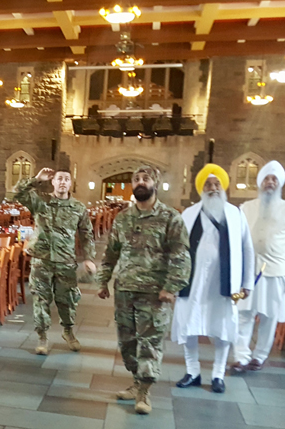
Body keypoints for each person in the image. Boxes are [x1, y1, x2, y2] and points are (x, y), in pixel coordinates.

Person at [97, 165, 191, 415]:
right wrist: (103, 280)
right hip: (125, 289)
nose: (140, 182)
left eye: (146, 179)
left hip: (155, 293)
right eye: (136, 179)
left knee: (149, 342)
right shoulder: (123, 218)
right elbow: (111, 253)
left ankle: (144, 392)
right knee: (127, 343)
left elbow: (181, 257)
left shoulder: (171, 218)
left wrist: (171, 287)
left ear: (155, 184)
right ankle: (137, 380)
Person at [172, 164, 254, 394]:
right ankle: (192, 372)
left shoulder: (236, 214)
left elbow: (247, 249)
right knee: (188, 324)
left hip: (224, 283)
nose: (213, 188)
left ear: (223, 187)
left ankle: (218, 374)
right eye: (208, 184)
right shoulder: (188, 214)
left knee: (223, 327)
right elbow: (176, 249)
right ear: (201, 188)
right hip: (192, 281)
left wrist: (247, 282)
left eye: (217, 184)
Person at [15, 167, 96, 355]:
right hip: (41, 260)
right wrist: (37, 179)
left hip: (65, 261)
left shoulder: (78, 208)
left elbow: (86, 234)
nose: (62, 182)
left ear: (70, 183)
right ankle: (42, 337)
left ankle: (68, 331)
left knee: (67, 300)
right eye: (59, 178)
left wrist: (89, 258)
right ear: (53, 182)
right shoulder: (41, 201)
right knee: (41, 300)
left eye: (66, 179)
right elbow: (18, 193)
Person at [231, 160, 285, 373]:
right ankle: (241, 357)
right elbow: (237, 242)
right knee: (243, 315)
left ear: (279, 184)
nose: (269, 182)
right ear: (260, 182)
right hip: (248, 272)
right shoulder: (245, 208)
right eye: (266, 179)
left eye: (274, 179)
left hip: (275, 272)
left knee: (269, 317)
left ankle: (259, 356)